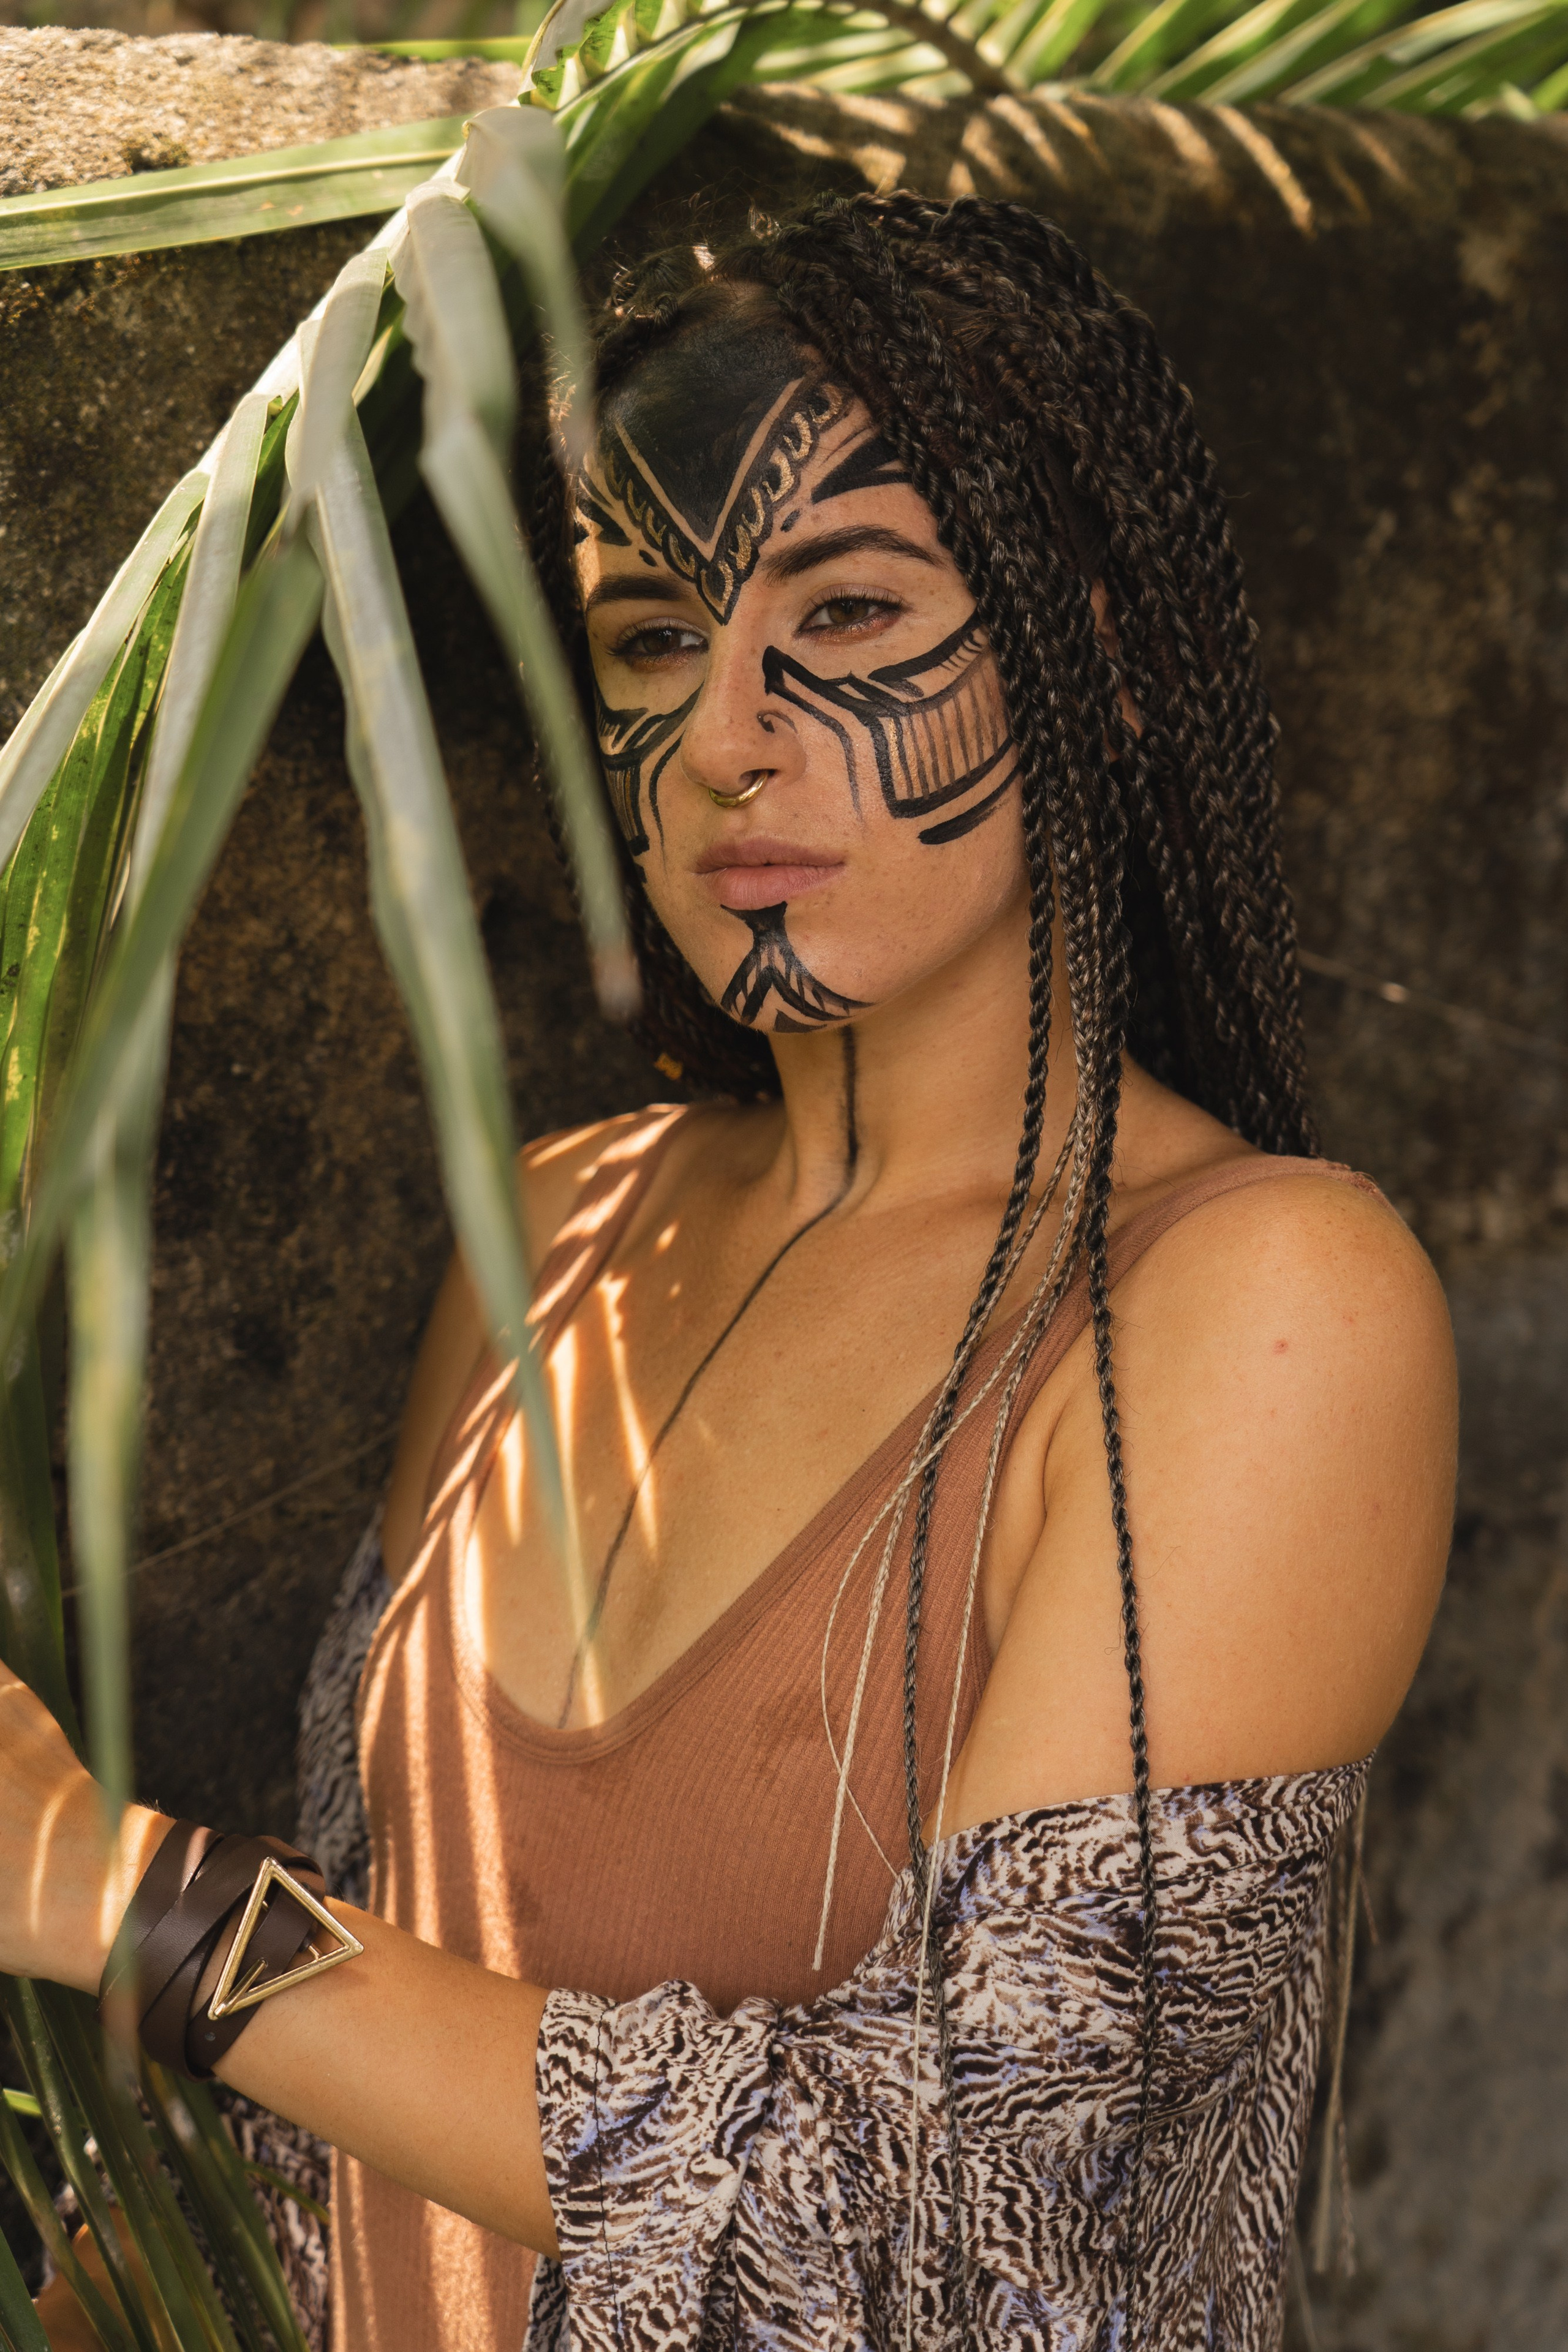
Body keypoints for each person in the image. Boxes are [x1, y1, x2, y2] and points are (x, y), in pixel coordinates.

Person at [1, 192, 1456, 2352]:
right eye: (648, 640)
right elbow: (374, 2104)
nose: (721, 740)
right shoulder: (557, 1234)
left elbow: (972, 2254)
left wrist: (123, 1898)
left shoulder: (1259, 1312)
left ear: (1104, 655)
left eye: (845, 609)